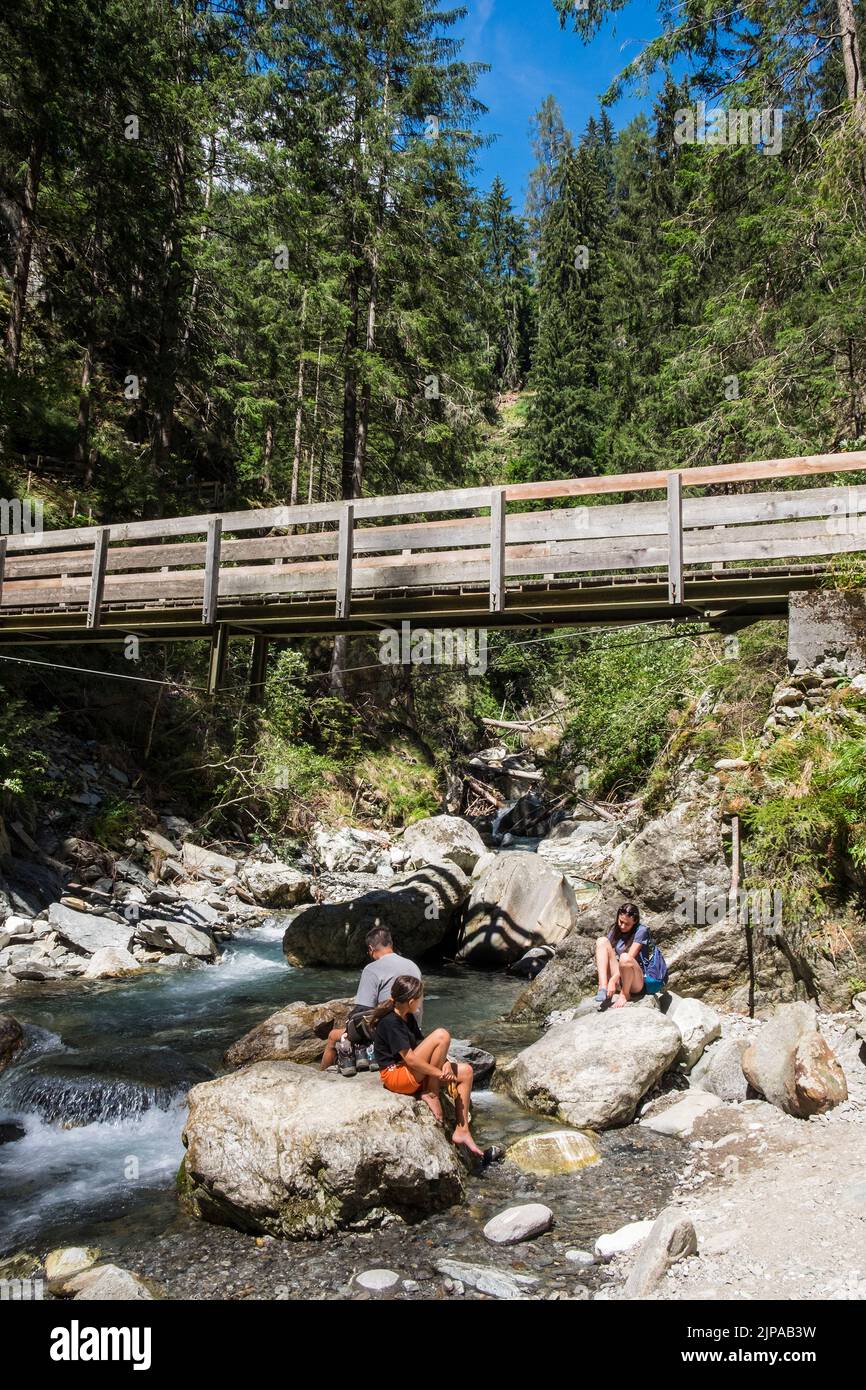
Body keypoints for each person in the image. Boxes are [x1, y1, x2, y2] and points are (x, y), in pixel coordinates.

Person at [371, 974, 499, 1164]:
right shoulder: (391, 1022)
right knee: (441, 1034)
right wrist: (439, 1073)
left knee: (466, 1072)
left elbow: (422, 1045)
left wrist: (445, 1060)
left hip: (411, 1072)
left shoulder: (407, 1017)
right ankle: (431, 1092)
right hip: (396, 1076)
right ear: (412, 1000)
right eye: (421, 998)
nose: (422, 1001)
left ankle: (462, 1131)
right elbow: (412, 1059)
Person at [319, 927, 421, 1072]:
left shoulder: (372, 969)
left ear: (371, 948)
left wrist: (349, 1025)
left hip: (389, 1031)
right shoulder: (413, 966)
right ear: (390, 943)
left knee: (332, 1036)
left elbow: (363, 1010)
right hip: (413, 1028)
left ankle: (322, 1076)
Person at [594, 902, 664, 1010]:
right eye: (621, 921)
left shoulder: (641, 931)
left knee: (625, 957)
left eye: (627, 924)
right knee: (601, 941)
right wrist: (610, 980)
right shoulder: (615, 929)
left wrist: (612, 980)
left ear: (635, 922)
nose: (622, 926)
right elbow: (607, 955)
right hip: (621, 976)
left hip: (637, 982)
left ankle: (625, 994)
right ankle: (602, 987)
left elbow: (628, 959)